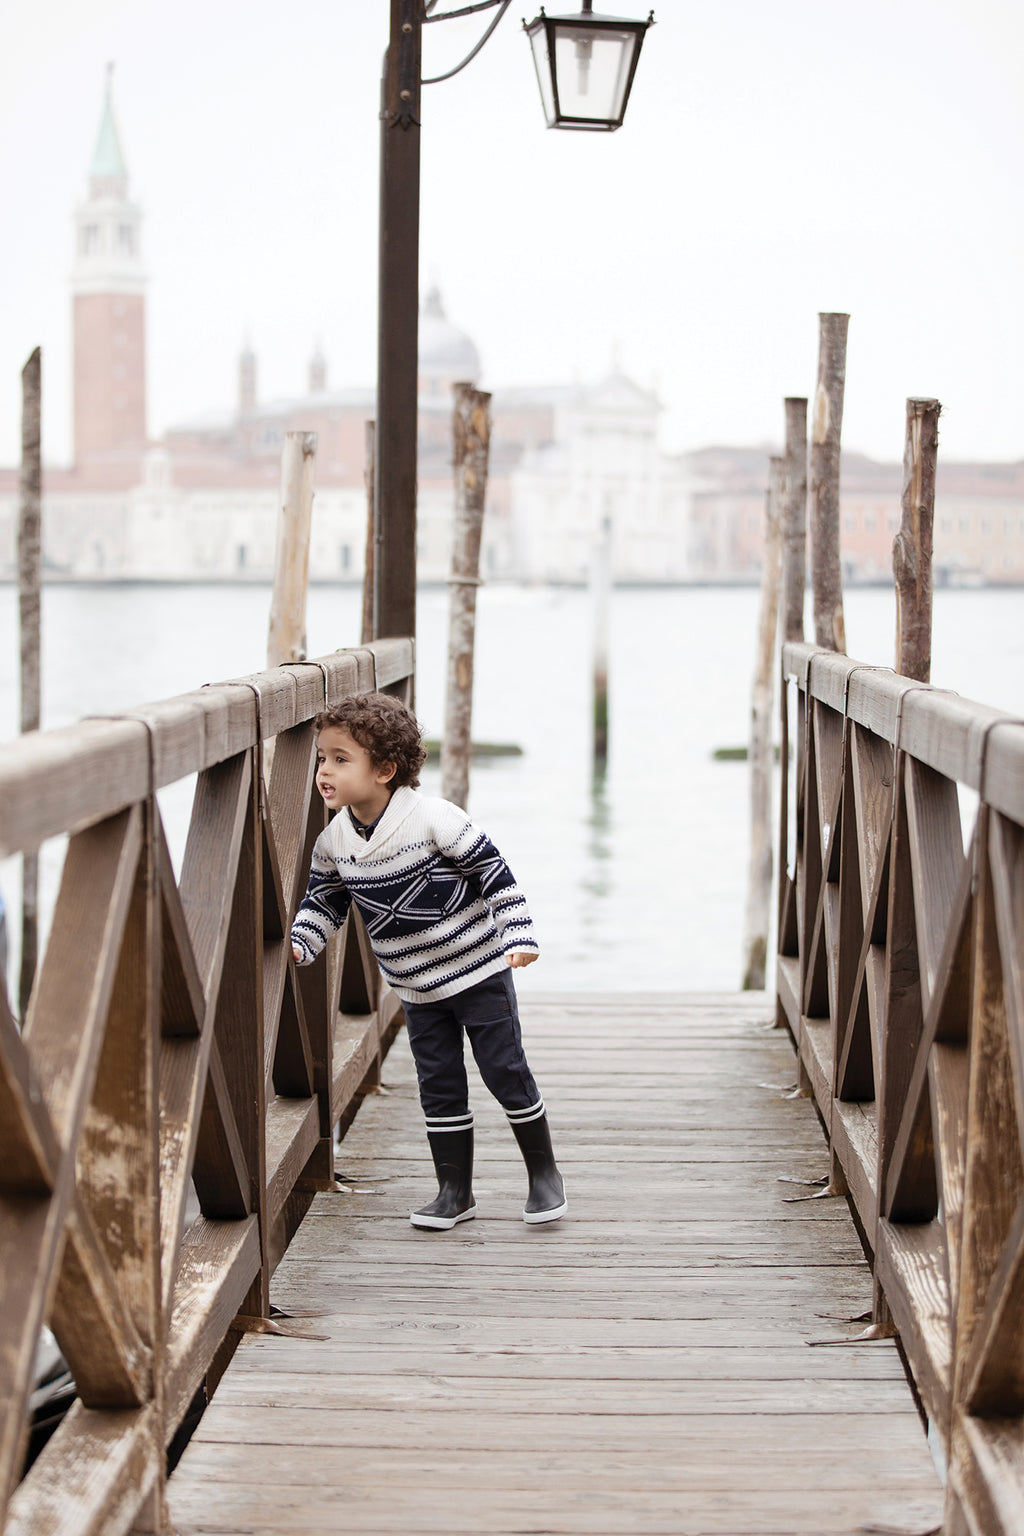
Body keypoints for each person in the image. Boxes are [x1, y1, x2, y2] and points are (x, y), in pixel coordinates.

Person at [291, 691, 566, 1231]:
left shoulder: (436, 819)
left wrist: (519, 933)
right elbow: (323, 902)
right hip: (415, 989)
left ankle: (543, 1174)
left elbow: (495, 874)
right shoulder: (333, 842)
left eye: (341, 760)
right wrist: (303, 941)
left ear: (385, 770)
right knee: (437, 1081)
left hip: (478, 973)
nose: (324, 770)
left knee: (504, 1071)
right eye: (322, 757)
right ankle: (453, 1190)